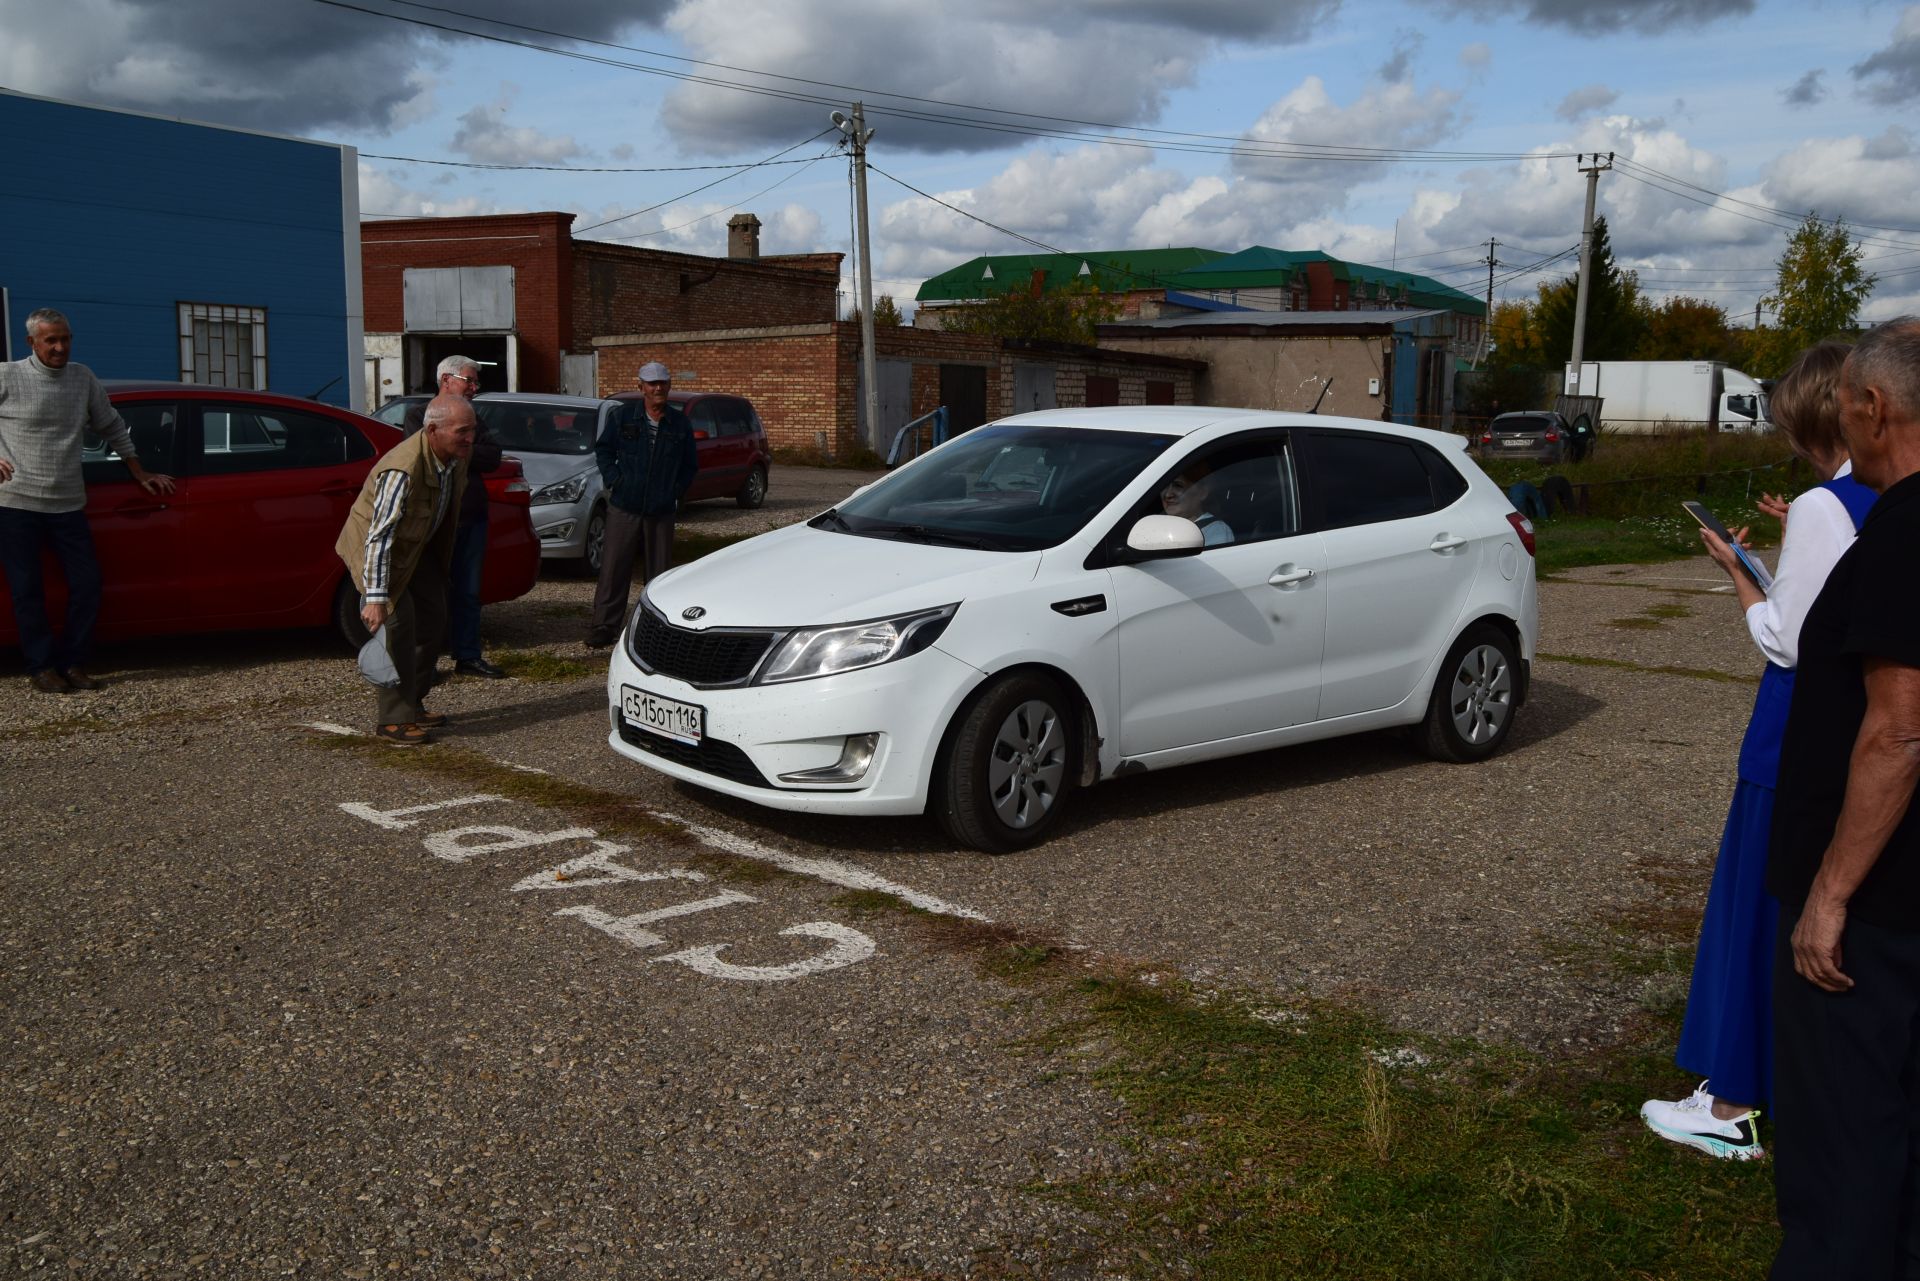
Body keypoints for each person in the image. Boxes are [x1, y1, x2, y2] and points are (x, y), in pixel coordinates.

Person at [1639, 342, 1876, 1161]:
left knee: (1757, 909)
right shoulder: (1889, 494)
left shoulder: (1824, 504)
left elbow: (1788, 639)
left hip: (1793, 732)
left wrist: (1740, 574)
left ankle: (1733, 1096)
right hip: (1865, 734)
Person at [1767, 316, 1920, 1277]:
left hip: (1880, 909)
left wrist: (1830, 894)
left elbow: (1899, 726)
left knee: (1846, 1129)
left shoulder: (1904, 530)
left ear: (1872, 406)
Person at [0, 308, 175, 694]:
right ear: (32, 342)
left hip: (67, 503)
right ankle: (41, 667)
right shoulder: (7, 376)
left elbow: (110, 423)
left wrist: (138, 470)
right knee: (27, 590)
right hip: (16, 503)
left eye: (65, 338)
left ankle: (73, 662)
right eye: (51, 340)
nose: (60, 346)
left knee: (88, 584)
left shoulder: (82, 377)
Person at [335, 396, 474, 745]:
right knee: (397, 624)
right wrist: (376, 599)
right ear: (432, 431)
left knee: (433, 617)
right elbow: (378, 537)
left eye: (473, 430)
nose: (470, 438)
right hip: (379, 550)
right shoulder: (402, 469)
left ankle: (414, 701)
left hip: (416, 546)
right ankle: (393, 720)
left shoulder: (455, 456)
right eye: (463, 431)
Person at [403, 355, 505, 679]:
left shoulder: (476, 419)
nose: (474, 388)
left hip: (471, 517)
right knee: (429, 594)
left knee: (469, 592)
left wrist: (461, 445)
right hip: (434, 522)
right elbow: (422, 455)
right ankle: (425, 664)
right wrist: (463, 448)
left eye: (476, 382)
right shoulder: (418, 416)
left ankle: (467, 656)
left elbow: (494, 457)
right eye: (469, 380)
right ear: (447, 380)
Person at [587, 360, 697, 647]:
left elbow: (689, 465)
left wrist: (675, 491)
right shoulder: (623, 417)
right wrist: (615, 480)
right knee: (613, 568)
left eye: (663, 383)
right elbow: (604, 450)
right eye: (652, 383)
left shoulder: (680, 422)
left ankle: (654, 630)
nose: (658, 388)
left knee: (659, 574)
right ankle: (604, 626)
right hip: (625, 504)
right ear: (641, 387)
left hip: (661, 509)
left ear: (669, 387)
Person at [1160, 462, 1234, 546]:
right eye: (1164, 486)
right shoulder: (1157, 526)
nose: (1168, 494)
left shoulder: (1215, 530)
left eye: (1178, 485)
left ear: (1203, 492)